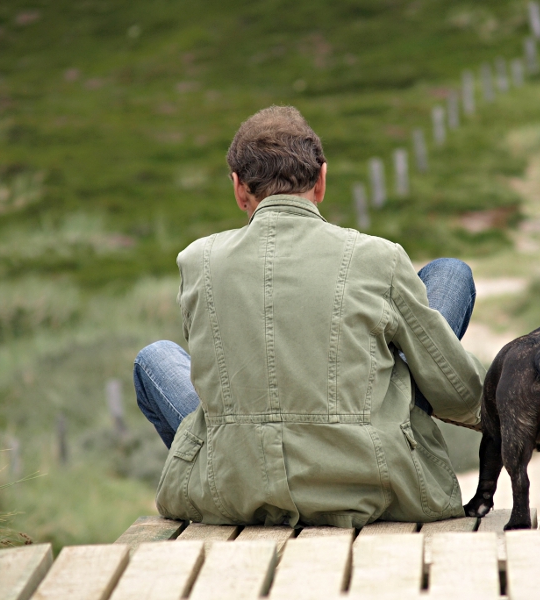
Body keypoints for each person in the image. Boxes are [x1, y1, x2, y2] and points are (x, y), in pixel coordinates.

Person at [133, 106, 485, 528]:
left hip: (234, 489)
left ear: (239, 189)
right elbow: (462, 395)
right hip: (369, 482)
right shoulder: (379, 257)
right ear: (321, 180)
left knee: (154, 359)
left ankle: (231, 473)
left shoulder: (196, 261)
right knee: (450, 275)